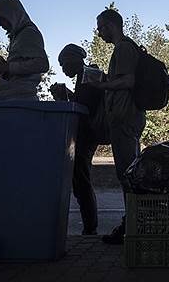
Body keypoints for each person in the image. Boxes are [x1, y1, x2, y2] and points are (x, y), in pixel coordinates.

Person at [86, 9, 145, 245]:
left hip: (125, 119)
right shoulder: (125, 48)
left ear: (111, 25)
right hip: (125, 118)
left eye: (100, 28)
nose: (99, 33)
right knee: (128, 172)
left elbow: (128, 81)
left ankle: (133, 224)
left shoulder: (123, 48)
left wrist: (102, 85)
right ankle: (133, 221)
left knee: (127, 174)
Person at [50, 44, 106, 236]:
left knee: (81, 180)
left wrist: (64, 99)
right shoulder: (84, 76)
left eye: (64, 64)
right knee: (80, 180)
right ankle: (89, 226)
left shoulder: (89, 74)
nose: (63, 69)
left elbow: (85, 108)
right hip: (85, 134)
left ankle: (90, 227)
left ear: (74, 59)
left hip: (87, 135)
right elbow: (84, 102)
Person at [0, 0, 49, 100]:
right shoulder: (18, 35)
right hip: (10, 95)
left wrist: (7, 67)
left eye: (1, 19)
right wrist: (2, 66)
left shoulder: (29, 33)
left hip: (19, 98)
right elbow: (19, 67)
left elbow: (42, 64)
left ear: (10, 15)